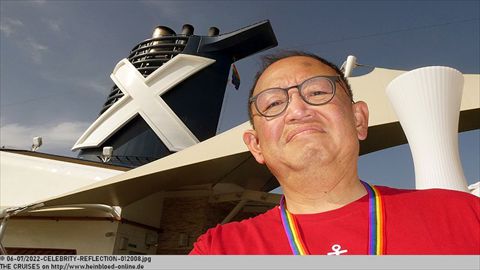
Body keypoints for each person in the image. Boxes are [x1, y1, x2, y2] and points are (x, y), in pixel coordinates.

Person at [189, 51, 480, 255]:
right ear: (256, 146)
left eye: (317, 93)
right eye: (274, 103)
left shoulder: (466, 214)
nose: (298, 110)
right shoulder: (219, 250)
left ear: (359, 120)